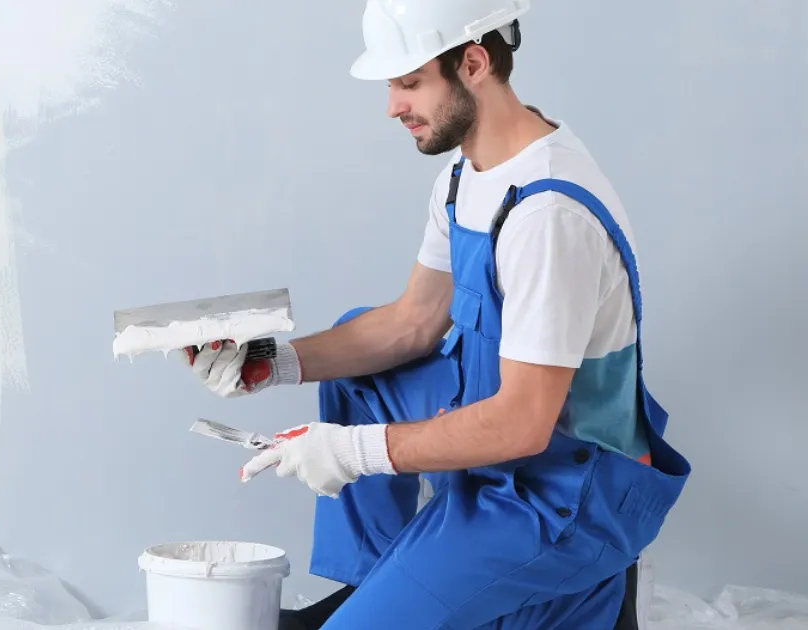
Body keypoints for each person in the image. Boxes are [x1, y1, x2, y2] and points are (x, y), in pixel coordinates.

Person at [177, 1, 691, 628]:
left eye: (409, 83)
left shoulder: (548, 216)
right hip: (504, 434)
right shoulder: (466, 171)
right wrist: (270, 363)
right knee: (356, 344)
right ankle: (380, 584)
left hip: (561, 489)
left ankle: (590, 596)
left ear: (473, 63)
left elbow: (524, 425)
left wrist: (354, 451)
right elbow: (412, 323)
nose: (393, 106)